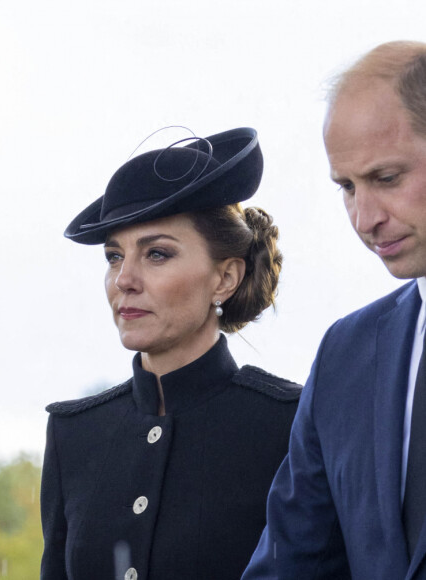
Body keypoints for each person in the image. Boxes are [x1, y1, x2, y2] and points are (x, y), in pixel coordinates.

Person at [40, 127, 301, 580]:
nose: (124, 280)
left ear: (225, 278)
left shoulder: (291, 423)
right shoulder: (74, 433)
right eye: (114, 256)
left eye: (157, 254)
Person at [242, 41, 426, 580]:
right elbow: (294, 560)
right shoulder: (347, 354)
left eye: (386, 178)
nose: (365, 219)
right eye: (347, 187)